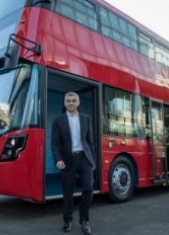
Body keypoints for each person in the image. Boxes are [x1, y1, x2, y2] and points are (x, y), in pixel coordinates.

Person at [51, 91, 96, 235]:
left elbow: (90, 141)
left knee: (88, 188)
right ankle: (68, 220)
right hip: (68, 160)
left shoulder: (86, 119)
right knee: (68, 191)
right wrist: (58, 159)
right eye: (68, 101)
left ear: (78, 102)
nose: (71, 103)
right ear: (64, 103)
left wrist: (93, 160)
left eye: (73, 100)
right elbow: (55, 143)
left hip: (84, 158)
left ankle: (84, 220)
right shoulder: (58, 121)